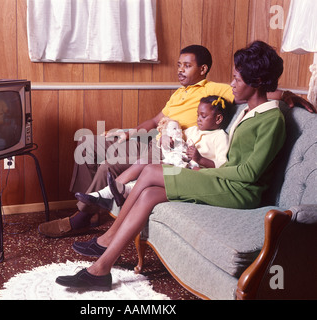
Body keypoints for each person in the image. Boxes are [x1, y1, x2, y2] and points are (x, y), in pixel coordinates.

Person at [54, 40, 288, 290]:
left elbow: (249, 173)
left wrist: (207, 169)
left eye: (237, 80)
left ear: (257, 82)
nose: (232, 84)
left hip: (241, 191)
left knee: (152, 170)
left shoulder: (272, 119)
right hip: (224, 180)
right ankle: (101, 268)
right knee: (149, 194)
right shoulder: (247, 111)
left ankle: (108, 238)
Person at [38, 44, 316, 239]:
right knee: (87, 147)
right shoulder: (178, 93)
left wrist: (290, 95)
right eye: (179, 65)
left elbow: (259, 90)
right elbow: (155, 119)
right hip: (152, 137)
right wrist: (127, 133)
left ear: (203, 69)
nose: (180, 70)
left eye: (187, 65)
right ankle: (93, 211)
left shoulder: (216, 89)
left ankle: (80, 217)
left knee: (109, 166)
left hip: (169, 147)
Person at [74, 95, 231, 209]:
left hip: (191, 171)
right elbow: (174, 138)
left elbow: (223, 166)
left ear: (218, 119)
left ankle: (107, 195)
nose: (198, 119)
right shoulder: (192, 129)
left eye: (203, 116)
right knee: (143, 163)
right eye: (197, 115)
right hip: (170, 157)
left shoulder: (220, 137)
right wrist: (165, 138)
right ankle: (107, 193)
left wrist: (200, 159)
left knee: (145, 166)